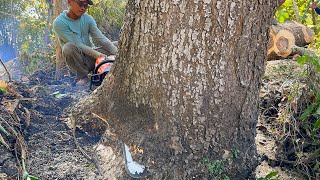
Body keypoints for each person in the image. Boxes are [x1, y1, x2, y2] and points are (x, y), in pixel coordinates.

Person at [53, 0, 118, 85]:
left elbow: (100, 38)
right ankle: (82, 77)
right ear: (69, 2)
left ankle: (104, 69)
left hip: (92, 57)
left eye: (85, 5)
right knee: (68, 47)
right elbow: (78, 44)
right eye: (80, 4)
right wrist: (100, 56)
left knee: (119, 44)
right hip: (79, 61)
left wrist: (118, 53)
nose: (82, 8)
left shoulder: (88, 18)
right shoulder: (59, 22)